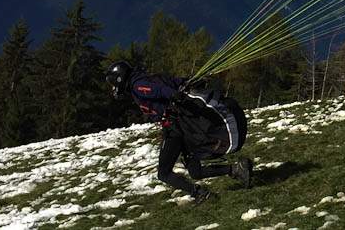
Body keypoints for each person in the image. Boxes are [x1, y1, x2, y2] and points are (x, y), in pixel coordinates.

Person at [105, 61, 252, 204]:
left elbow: (159, 90)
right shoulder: (149, 77)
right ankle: (236, 169)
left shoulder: (137, 85)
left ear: (119, 79)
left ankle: (200, 193)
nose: (114, 88)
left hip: (175, 129)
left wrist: (174, 95)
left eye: (113, 84)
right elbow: (173, 82)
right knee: (195, 171)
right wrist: (186, 82)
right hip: (181, 127)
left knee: (164, 173)